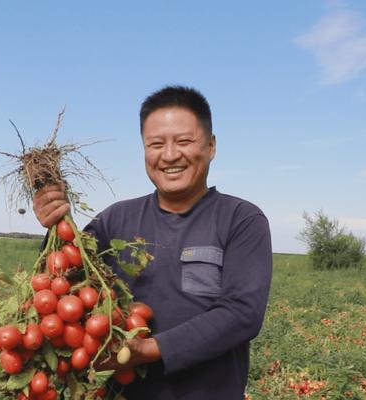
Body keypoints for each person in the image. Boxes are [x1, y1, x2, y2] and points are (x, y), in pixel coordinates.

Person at [33, 86, 272, 399]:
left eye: (184, 141)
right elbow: (64, 280)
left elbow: (242, 314)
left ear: (211, 146)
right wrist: (55, 225)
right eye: (156, 144)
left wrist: (150, 349)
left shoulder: (241, 219)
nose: (170, 155)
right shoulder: (114, 219)